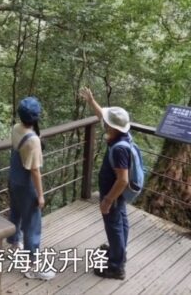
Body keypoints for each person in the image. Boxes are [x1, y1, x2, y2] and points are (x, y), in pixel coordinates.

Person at [79, 86, 131, 280]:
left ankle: (116, 266)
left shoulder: (118, 149)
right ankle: (119, 253)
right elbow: (104, 117)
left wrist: (108, 200)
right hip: (118, 195)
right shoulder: (123, 136)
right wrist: (92, 101)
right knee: (122, 222)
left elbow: (123, 179)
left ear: (113, 127)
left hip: (113, 193)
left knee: (114, 226)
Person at [6, 96, 55, 281]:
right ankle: (32, 266)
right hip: (27, 185)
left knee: (16, 212)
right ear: (36, 117)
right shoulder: (33, 140)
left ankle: (13, 243)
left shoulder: (15, 128)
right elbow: (35, 171)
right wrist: (41, 196)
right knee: (32, 225)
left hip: (13, 178)